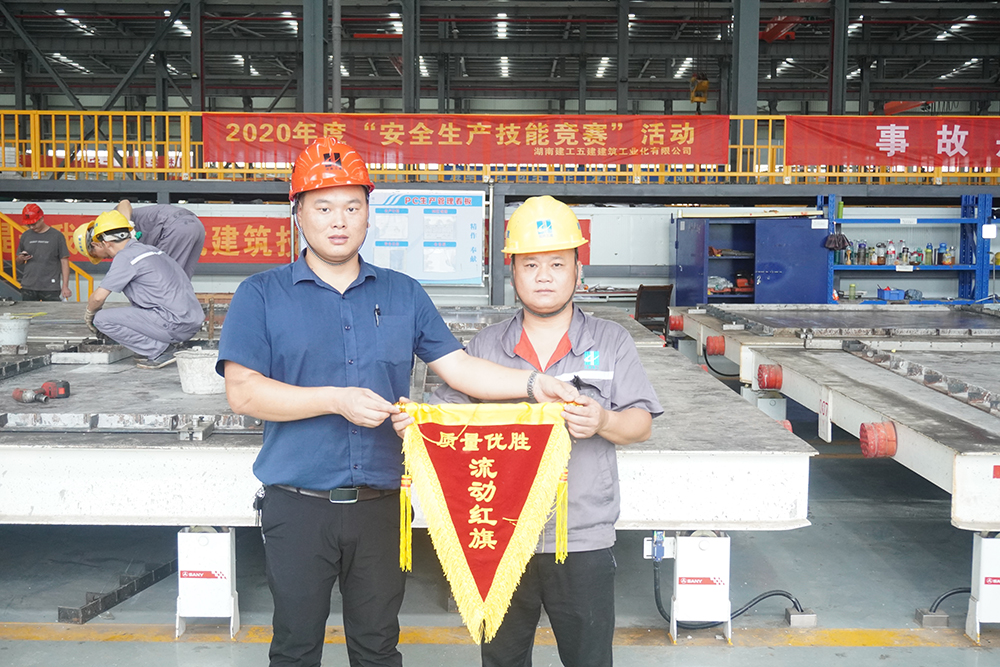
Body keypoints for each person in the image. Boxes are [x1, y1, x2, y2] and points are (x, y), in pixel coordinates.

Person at [215, 138, 579, 667]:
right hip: (297, 506)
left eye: (352, 207)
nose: (338, 221)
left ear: (368, 215)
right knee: (294, 647)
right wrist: (334, 400)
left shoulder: (403, 293)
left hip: (383, 506)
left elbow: (458, 367)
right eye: (323, 207)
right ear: (298, 214)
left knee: (378, 646)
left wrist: (532, 385)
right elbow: (243, 391)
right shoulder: (261, 294)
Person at [393, 195, 662, 667]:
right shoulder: (486, 347)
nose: (544, 276)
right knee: (502, 659)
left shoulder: (610, 341)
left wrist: (603, 420)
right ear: (512, 272)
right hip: (500, 535)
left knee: (589, 659)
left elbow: (640, 424)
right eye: (530, 264)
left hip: (581, 537)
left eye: (557, 264)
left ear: (578, 270)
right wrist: (414, 422)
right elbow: (446, 419)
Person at [73, 211, 204, 369]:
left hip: (174, 324)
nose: (100, 257)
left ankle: (161, 351)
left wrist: (90, 315)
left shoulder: (126, 257)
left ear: (100, 243)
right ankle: (159, 345)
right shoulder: (151, 250)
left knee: (102, 319)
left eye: (94, 253)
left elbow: (98, 298)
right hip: (191, 322)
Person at [114, 199, 206, 279]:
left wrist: (128, 227)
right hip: (195, 224)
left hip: (175, 225)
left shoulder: (109, 225)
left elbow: (124, 203)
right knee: (181, 281)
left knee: (162, 278)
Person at [16, 203, 71, 301]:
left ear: (41, 218)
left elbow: (64, 261)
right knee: (27, 311)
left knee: (52, 311)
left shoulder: (57, 236)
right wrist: (21, 258)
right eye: (28, 225)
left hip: (50, 286)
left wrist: (65, 286)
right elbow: (18, 261)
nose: (31, 227)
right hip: (28, 286)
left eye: (34, 224)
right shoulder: (26, 236)